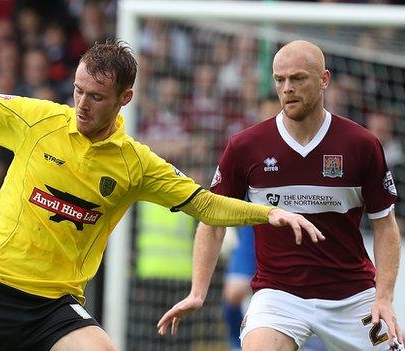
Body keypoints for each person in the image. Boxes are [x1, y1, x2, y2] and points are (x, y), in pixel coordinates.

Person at [0, 4, 323, 351]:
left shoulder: (135, 163)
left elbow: (205, 203)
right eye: (78, 90)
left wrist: (269, 214)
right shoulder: (37, 119)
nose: (81, 104)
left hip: (53, 305)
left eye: (96, 97)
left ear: (125, 99)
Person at [157, 40, 404, 351]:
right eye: (280, 80)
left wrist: (383, 297)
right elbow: (212, 220)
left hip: (352, 295)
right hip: (279, 296)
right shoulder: (246, 147)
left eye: (298, 78)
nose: (287, 88)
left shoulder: (361, 144)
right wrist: (197, 292)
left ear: (324, 79)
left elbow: (385, 225)